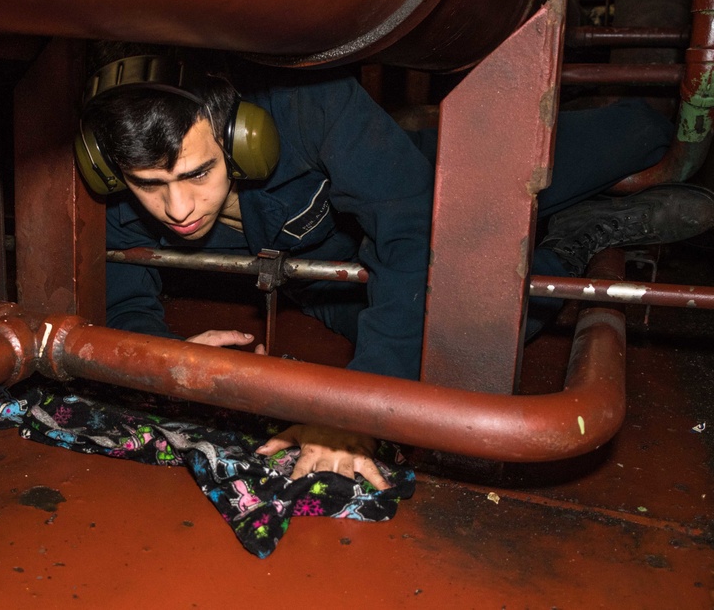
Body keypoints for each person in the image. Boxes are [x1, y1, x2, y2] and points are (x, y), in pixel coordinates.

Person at [76, 45, 714, 490]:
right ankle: (575, 240)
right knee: (477, 331)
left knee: (639, 134)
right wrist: (163, 356)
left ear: (241, 139)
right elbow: (126, 287)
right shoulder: (125, 193)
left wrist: (356, 410)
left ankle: (583, 181)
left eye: (197, 173)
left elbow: (413, 238)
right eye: (150, 185)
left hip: (423, 178)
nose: (178, 208)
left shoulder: (312, 105)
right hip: (325, 281)